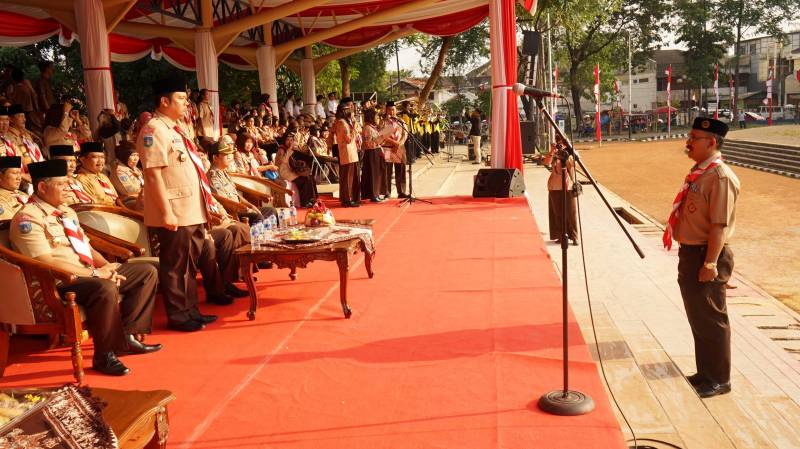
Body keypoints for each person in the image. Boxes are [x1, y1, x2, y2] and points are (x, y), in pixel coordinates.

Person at [10, 159, 161, 376]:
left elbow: (87, 248)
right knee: (104, 287)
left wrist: (108, 266)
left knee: (146, 272)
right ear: (42, 187)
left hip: (87, 272)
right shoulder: (28, 218)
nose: (68, 187)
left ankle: (127, 336)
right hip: (59, 281)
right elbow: (44, 261)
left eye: (67, 182)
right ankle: (104, 356)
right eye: (61, 184)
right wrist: (95, 273)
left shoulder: (66, 212)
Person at [663, 117, 740, 399]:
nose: (688, 142)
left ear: (711, 142)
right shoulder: (699, 173)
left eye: (694, 138)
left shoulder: (720, 177)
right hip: (691, 253)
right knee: (699, 318)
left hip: (706, 255)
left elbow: (719, 226)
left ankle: (719, 379)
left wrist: (710, 263)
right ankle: (705, 372)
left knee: (712, 319)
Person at [137, 75, 220, 332]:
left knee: (189, 265)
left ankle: (191, 310)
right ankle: (178, 315)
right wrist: (166, 212)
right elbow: (153, 175)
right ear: (164, 101)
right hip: (175, 210)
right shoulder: (153, 129)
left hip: (192, 208)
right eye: (181, 98)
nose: (187, 103)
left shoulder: (176, 128)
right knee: (175, 265)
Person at [208, 139, 277, 225]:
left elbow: (236, 195)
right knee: (257, 217)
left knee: (271, 211)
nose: (230, 157)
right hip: (233, 213)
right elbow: (225, 202)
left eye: (230, 154)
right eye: (226, 155)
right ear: (215, 158)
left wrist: (251, 206)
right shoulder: (213, 177)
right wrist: (246, 209)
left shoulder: (224, 172)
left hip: (241, 208)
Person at [546, 141, 578, 245]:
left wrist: (566, 155)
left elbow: (574, 164)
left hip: (568, 187)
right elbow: (546, 162)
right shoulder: (554, 154)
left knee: (571, 213)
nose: (560, 145)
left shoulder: (569, 153)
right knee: (557, 213)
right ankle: (560, 236)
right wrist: (552, 151)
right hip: (554, 187)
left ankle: (574, 237)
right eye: (558, 143)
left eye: (562, 143)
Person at [275, 132, 317, 207]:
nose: (290, 142)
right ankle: (305, 202)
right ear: (284, 140)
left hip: (291, 172)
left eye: (291, 140)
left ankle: (312, 199)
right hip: (284, 173)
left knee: (310, 177)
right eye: (287, 140)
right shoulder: (281, 149)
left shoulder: (288, 149)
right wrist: (290, 148)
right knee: (305, 180)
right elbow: (283, 161)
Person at [334, 97, 360, 207]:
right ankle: (347, 199)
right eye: (348, 110)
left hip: (352, 153)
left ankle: (351, 198)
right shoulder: (341, 123)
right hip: (347, 154)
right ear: (344, 111)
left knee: (351, 178)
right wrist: (354, 128)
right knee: (347, 178)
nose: (351, 111)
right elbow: (348, 139)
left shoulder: (345, 122)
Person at [76, 141, 119, 206]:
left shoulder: (103, 177)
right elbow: (94, 205)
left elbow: (116, 197)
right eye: (95, 157)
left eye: (102, 157)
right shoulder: (81, 179)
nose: (100, 161)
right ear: (82, 159)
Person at [381, 101, 408, 198]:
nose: (391, 112)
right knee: (387, 171)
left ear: (396, 110)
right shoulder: (383, 122)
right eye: (389, 110)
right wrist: (394, 143)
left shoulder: (400, 121)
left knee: (400, 170)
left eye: (393, 110)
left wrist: (399, 144)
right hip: (388, 148)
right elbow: (383, 135)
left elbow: (405, 134)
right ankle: (387, 192)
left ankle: (401, 191)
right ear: (386, 110)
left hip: (399, 147)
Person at [360, 108, 386, 202]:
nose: (377, 118)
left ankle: (377, 193)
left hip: (376, 151)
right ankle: (373, 195)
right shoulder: (367, 128)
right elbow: (367, 144)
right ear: (371, 117)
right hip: (371, 153)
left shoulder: (373, 127)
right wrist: (379, 140)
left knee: (377, 174)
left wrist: (382, 138)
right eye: (376, 116)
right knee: (373, 174)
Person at [110, 141, 144, 210]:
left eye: (137, 155)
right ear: (124, 156)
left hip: (140, 197)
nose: (136, 159)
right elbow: (131, 191)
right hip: (128, 201)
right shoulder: (119, 171)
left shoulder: (135, 168)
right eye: (132, 155)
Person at [0, 156, 28, 220]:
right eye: (15, 173)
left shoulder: (24, 195)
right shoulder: (1, 199)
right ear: (0, 176)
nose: (19, 178)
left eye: (20, 173)